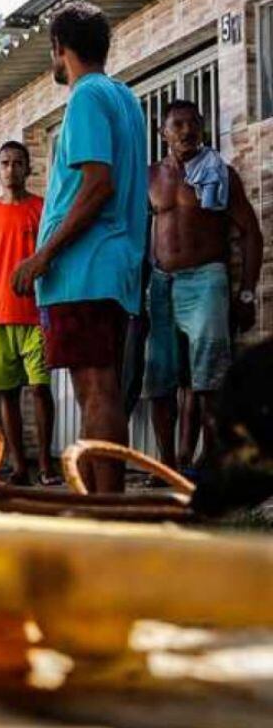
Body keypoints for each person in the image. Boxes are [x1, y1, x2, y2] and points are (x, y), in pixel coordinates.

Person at [12, 2, 149, 494]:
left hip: (83, 269)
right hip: (111, 268)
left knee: (97, 390)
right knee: (98, 388)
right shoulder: (124, 97)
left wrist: (43, 254)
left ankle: (106, 507)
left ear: (59, 48)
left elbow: (98, 185)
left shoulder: (87, 96)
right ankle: (96, 501)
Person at [144, 99, 263, 474]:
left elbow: (251, 233)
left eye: (193, 123)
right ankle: (166, 466)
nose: (187, 131)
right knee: (160, 379)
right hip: (161, 284)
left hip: (207, 280)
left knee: (210, 378)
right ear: (163, 133)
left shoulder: (220, 174)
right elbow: (137, 236)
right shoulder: (149, 177)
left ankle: (209, 464)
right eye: (177, 124)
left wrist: (246, 292)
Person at [0, 142, 58, 486]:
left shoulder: (42, 209)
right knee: (5, 393)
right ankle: (19, 466)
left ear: (28, 169)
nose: (11, 169)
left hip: (37, 314)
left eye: (18, 163)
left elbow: (52, 257)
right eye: (5, 163)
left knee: (40, 389)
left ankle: (47, 466)